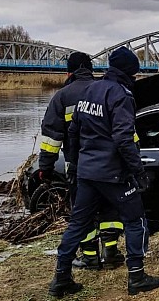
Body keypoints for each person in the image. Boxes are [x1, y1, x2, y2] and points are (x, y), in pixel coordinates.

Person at [48, 47, 159, 297]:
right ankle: (137, 276)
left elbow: (73, 130)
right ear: (129, 72)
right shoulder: (121, 94)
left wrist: (75, 163)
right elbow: (124, 139)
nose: (136, 76)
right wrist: (138, 171)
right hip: (114, 174)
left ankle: (61, 278)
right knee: (135, 220)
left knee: (77, 224)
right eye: (135, 72)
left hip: (87, 172)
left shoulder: (90, 89)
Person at [38, 52, 125, 270]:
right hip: (108, 164)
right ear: (90, 68)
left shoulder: (62, 96)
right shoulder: (104, 91)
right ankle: (111, 253)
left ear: (69, 72)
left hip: (77, 166)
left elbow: (52, 138)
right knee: (109, 211)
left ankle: (90, 257)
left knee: (82, 212)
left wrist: (45, 168)